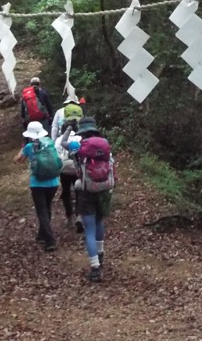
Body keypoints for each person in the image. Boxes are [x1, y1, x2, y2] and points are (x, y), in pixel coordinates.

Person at [60, 117, 114, 282]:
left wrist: (68, 129)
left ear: (82, 132)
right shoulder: (104, 145)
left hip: (85, 191)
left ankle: (95, 268)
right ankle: (101, 254)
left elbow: (63, 143)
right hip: (104, 189)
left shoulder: (78, 147)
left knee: (89, 229)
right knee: (99, 222)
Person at [14, 121, 60, 252]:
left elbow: (18, 160)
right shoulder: (50, 143)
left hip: (37, 183)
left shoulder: (29, 147)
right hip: (53, 182)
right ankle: (42, 234)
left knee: (41, 211)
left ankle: (50, 240)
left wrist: (22, 148)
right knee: (47, 207)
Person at [55, 130, 82, 228]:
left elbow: (56, 155)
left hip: (64, 169)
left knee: (66, 192)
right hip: (76, 169)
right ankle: (79, 214)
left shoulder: (59, 140)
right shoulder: (79, 138)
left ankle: (69, 215)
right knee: (79, 191)